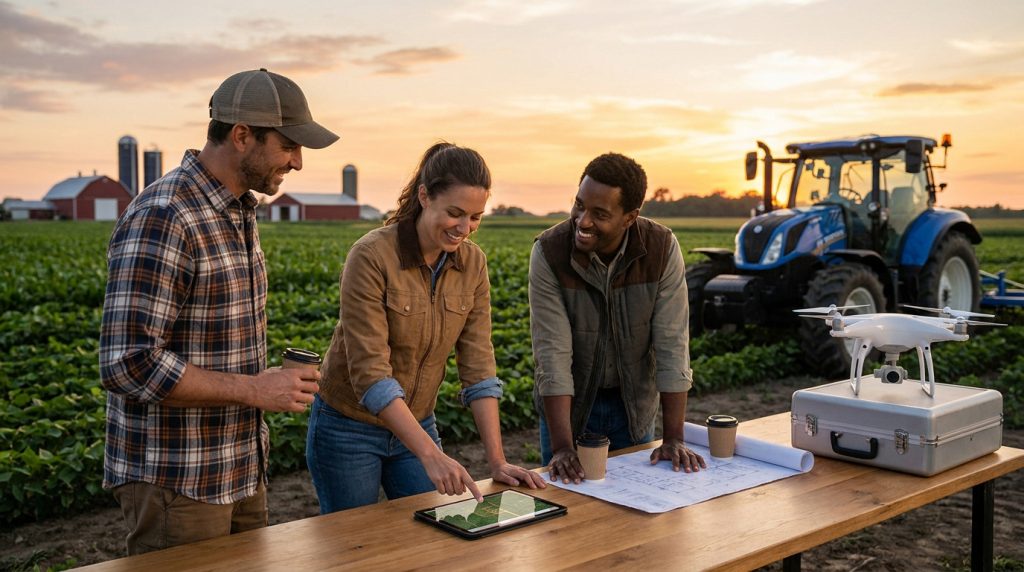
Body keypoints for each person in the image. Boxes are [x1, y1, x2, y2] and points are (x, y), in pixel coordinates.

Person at [99, 68, 338, 554]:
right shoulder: (166, 214)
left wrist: (265, 386)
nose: (297, 162)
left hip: (240, 468)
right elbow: (128, 364)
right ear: (242, 135)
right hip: (178, 479)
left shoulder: (237, 210)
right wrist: (254, 389)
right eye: (289, 146)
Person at [307, 142, 546, 513]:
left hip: (418, 422)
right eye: (455, 213)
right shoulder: (371, 256)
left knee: (437, 529)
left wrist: (497, 461)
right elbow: (371, 374)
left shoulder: (473, 264)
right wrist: (431, 455)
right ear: (424, 196)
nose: (465, 228)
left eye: (476, 217)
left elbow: (479, 366)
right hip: (349, 428)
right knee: (352, 539)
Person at [529, 152, 706, 483]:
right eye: (579, 205)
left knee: (634, 497)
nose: (583, 221)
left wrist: (673, 438)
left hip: (632, 405)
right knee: (568, 502)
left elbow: (672, 344)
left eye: (599, 214)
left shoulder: (661, 249)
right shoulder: (550, 252)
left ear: (629, 218)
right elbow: (552, 354)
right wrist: (562, 447)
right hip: (569, 406)